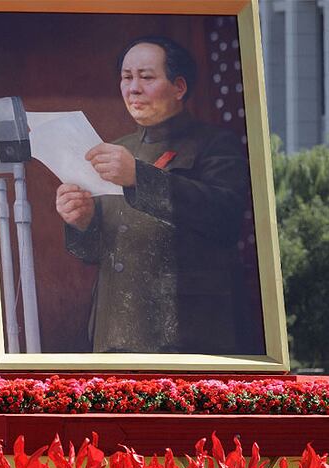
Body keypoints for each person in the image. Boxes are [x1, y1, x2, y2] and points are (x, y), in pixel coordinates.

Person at [56, 35, 255, 355]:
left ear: (179, 87)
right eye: (126, 77)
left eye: (146, 77)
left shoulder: (215, 144)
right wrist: (82, 221)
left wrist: (139, 177)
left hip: (186, 333)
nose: (133, 88)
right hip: (114, 332)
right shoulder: (116, 148)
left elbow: (226, 218)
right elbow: (93, 253)